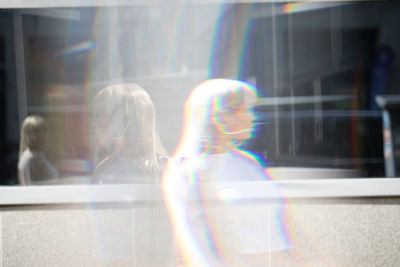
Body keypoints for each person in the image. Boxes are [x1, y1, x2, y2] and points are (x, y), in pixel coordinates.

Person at [163, 79, 291, 266]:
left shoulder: (249, 163)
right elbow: (195, 244)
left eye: (251, 108)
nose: (252, 117)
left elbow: (274, 230)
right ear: (218, 116)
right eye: (243, 109)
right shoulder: (186, 170)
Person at [91, 82, 167, 184]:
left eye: (99, 114)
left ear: (119, 119)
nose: (94, 123)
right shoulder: (104, 170)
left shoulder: (164, 169)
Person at [18, 115, 58, 185]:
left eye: (44, 130)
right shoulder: (30, 158)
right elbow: (35, 188)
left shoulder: (39, 155)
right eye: (37, 132)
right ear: (28, 135)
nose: (42, 135)